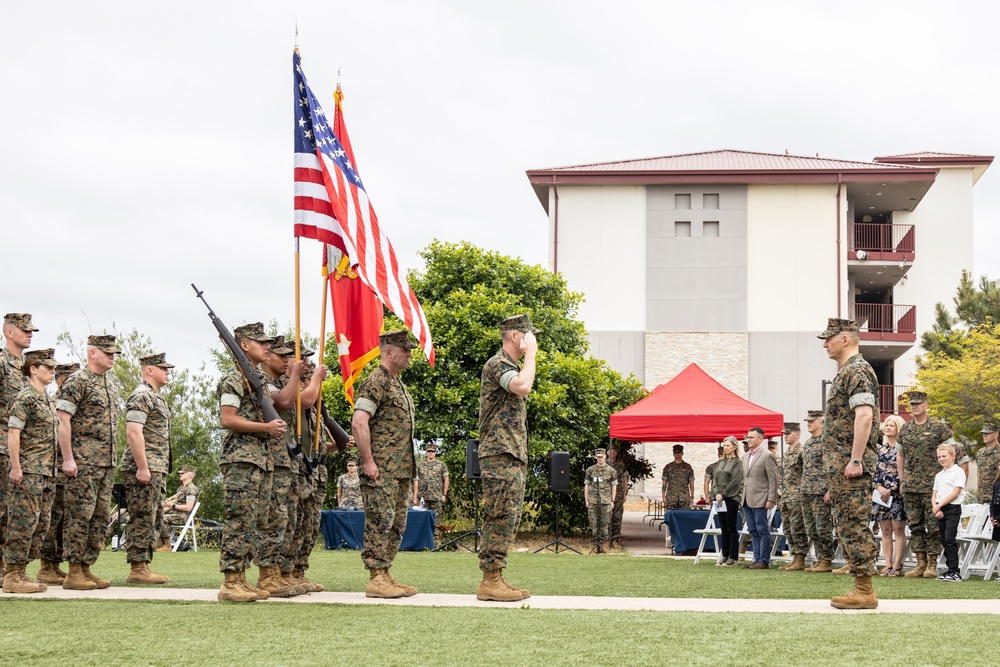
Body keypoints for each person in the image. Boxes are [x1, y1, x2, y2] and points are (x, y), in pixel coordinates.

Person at [216, 322, 286, 603]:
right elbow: (228, 419)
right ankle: (230, 581)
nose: (267, 346)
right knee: (239, 519)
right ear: (244, 345)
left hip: (260, 459)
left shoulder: (255, 379)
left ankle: (242, 579)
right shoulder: (234, 378)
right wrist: (266, 428)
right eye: (261, 342)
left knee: (255, 521)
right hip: (242, 458)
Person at [818, 317, 880, 609]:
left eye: (829, 338)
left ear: (846, 338)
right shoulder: (847, 372)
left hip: (851, 465)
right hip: (842, 469)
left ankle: (864, 590)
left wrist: (856, 458)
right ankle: (860, 587)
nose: (825, 344)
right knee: (846, 523)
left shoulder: (856, 370)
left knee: (854, 525)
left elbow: (864, 415)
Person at [352, 329, 419, 599]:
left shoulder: (397, 384)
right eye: (405, 349)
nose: (409, 354)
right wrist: (368, 461)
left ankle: (386, 572)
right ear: (389, 352)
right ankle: (375, 577)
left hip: (400, 469)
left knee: (396, 523)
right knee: (380, 521)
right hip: (381, 469)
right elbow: (359, 422)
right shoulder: (375, 381)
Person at [476, 314, 537, 602]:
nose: (530, 338)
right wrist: (532, 355)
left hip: (511, 454)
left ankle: (497, 575)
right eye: (527, 333)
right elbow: (522, 386)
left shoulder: (511, 365)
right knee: (498, 515)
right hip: (499, 453)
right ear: (514, 336)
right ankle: (489, 579)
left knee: (508, 518)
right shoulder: (498, 363)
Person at [258, 335, 325, 598]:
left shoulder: (285, 382)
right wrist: (315, 378)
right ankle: (270, 573)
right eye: (283, 356)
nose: (291, 361)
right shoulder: (270, 383)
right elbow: (296, 402)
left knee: (293, 520)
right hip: (276, 459)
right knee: (277, 519)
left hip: (293, 461)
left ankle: (287, 572)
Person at [56, 334, 121, 591]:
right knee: (79, 516)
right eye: (107, 352)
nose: (112, 356)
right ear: (92, 353)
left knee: (100, 517)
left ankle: (86, 567)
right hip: (83, 462)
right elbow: (63, 421)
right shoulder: (77, 381)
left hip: (105, 462)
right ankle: (73, 571)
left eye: (114, 352)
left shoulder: (110, 384)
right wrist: (68, 459)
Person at [3, 348, 59, 593]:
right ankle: (12, 575)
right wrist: (16, 466)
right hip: (29, 471)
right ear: (33, 369)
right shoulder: (25, 397)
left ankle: (22, 572)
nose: (53, 371)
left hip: (47, 471)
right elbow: (13, 433)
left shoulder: (46, 397)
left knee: (40, 525)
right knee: (22, 523)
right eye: (48, 367)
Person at [121, 352, 174, 585]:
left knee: (153, 517)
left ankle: (143, 565)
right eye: (163, 368)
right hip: (144, 467)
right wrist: (142, 466)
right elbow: (133, 431)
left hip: (156, 467)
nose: (168, 371)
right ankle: (138, 568)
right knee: (142, 517)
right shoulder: (142, 395)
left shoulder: (155, 396)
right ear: (150, 370)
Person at [896, 389, 950, 579]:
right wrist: (902, 480)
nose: (915, 407)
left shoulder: (939, 427)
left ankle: (932, 563)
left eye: (918, 404)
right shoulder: (905, 429)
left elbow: (951, 452)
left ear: (926, 405)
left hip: (933, 487)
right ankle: (920, 563)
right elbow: (900, 455)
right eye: (912, 404)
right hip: (911, 486)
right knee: (915, 525)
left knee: (933, 525)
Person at [0, 313, 36, 585]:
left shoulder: (27, 368)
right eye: (25, 330)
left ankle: (8, 569)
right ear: (9, 332)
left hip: (24, 451)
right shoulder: (1, 363)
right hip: (2, 446)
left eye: (31, 330)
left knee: (15, 512)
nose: (30, 334)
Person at [36, 361, 78, 585]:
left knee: (63, 521)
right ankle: (46, 566)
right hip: (54, 471)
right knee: (52, 521)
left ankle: (55, 564)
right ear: (62, 381)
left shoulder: (67, 405)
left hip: (66, 474)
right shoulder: (53, 405)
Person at [800, 410, 835, 573]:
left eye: (812, 421)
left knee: (823, 527)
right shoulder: (807, 443)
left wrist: (830, 489)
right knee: (811, 528)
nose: (809, 423)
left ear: (821, 422)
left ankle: (827, 559)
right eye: (808, 420)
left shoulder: (827, 441)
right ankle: (820, 558)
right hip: (807, 489)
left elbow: (832, 466)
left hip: (821, 491)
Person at [740, 426, 778, 569]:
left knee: (762, 529)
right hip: (746, 498)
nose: (748, 439)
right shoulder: (745, 456)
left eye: (751, 437)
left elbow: (773, 479)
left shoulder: (767, 455)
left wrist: (771, 499)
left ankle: (764, 560)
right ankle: (756, 559)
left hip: (761, 498)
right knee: (753, 530)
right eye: (747, 437)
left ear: (760, 439)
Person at [873, 415, 906, 577]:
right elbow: (875, 472)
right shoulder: (881, 450)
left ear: (898, 428)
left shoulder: (903, 449)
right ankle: (887, 564)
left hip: (897, 494)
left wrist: (892, 489)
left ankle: (897, 564)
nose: (887, 427)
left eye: (891, 425)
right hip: (881, 495)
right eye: (886, 425)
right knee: (885, 530)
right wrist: (879, 488)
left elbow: (904, 473)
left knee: (898, 529)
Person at [931, 444, 966, 582]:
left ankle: (955, 571)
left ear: (953, 456)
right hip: (940, 509)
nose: (941, 459)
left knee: (950, 539)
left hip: (952, 509)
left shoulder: (958, 472)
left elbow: (955, 493)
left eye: (944, 456)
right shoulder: (939, 475)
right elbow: (935, 494)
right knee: (944, 540)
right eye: (939, 457)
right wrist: (936, 508)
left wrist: (939, 506)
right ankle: (949, 569)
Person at [778, 421, 808, 571]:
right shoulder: (787, 452)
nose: (785, 437)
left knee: (797, 527)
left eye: (788, 434)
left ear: (797, 434)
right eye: (784, 434)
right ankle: (794, 556)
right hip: (786, 496)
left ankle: (800, 558)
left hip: (797, 496)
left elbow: (806, 474)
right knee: (788, 528)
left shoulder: (802, 451)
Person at [712, 435, 743, 566]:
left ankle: (733, 556)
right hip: (719, 499)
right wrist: (716, 493)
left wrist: (723, 494)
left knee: (731, 527)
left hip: (731, 498)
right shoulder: (720, 462)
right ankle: (724, 554)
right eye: (724, 446)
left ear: (734, 447)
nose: (725, 448)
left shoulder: (737, 463)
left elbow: (735, 481)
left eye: (728, 445)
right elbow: (715, 479)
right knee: (723, 528)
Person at [584, 448, 617, 553]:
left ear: (605, 457)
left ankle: (603, 546)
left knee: (605, 524)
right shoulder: (590, 470)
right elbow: (587, 486)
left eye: (601, 457)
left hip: (606, 501)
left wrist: (612, 500)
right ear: (595, 457)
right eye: (598, 457)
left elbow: (614, 486)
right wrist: (587, 500)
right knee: (593, 523)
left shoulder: (611, 471)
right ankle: (595, 545)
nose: (599, 459)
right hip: (593, 500)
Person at [158, 466, 200, 550]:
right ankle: (159, 544)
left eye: (182, 473)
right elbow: (172, 505)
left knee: (162, 518)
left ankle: (167, 545)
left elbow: (188, 508)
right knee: (156, 517)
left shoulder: (191, 489)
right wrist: (160, 512)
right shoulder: (181, 489)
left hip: (183, 516)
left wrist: (172, 505)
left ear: (189, 475)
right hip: (174, 514)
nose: (180, 474)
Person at [414, 443, 449, 542]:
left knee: (436, 519)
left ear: (436, 453)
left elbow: (446, 479)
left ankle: (436, 540)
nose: (430, 453)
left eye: (432, 451)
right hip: (423, 497)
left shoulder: (441, 465)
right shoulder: (420, 465)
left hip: (436, 496)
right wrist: (415, 496)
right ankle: (423, 540)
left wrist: (444, 494)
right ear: (426, 452)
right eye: (428, 451)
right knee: (422, 519)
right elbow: (415, 480)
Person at [661, 445, 695, 510]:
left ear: (682, 453)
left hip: (684, 498)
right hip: (671, 498)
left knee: (684, 517)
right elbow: (664, 483)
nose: (677, 454)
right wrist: (663, 496)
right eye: (675, 452)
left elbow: (692, 484)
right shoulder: (668, 467)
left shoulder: (688, 467)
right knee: (670, 517)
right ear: (673, 454)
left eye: (679, 452)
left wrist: (692, 496)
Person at [609, 445, 629, 548]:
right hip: (605, 494)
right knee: (605, 518)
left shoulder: (621, 464)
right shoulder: (603, 464)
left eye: (614, 450)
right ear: (607, 452)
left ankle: (615, 540)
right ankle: (605, 540)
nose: (612, 452)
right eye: (610, 450)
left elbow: (625, 479)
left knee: (617, 517)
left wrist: (625, 494)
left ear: (616, 452)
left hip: (618, 494)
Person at [976, 421, 1000, 496]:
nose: (984, 436)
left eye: (987, 434)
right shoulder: (980, 452)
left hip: (995, 494)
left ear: (995, 435)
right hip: (982, 495)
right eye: (983, 434)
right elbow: (979, 472)